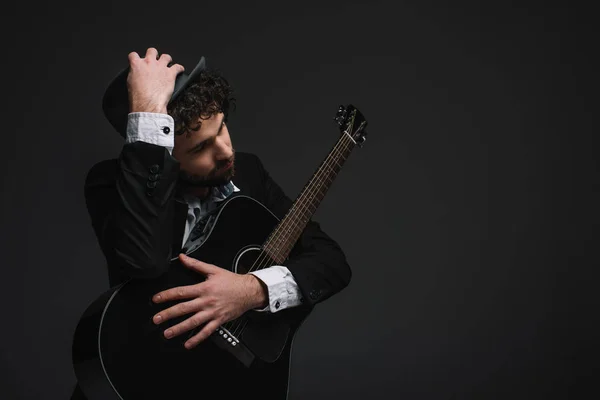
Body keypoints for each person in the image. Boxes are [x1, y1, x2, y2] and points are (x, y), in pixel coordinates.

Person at [71, 47, 352, 399]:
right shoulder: (110, 184)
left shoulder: (248, 172)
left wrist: (251, 290)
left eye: (222, 128)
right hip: (140, 378)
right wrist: (148, 113)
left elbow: (330, 261)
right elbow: (143, 261)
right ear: (165, 149)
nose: (224, 151)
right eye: (200, 147)